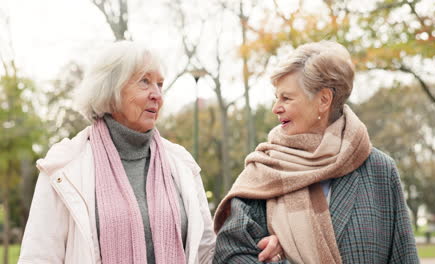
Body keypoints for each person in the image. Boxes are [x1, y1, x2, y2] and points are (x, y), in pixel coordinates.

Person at [18, 41, 282, 264]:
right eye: (144, 82)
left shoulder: (180, 164)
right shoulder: (66, 166)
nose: (157, 95)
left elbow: (206, 254)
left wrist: (257, 247)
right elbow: (38, 256)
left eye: (160, 84)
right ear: (110, 91)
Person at [213, 41, 419, 263]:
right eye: (276, 97)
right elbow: (229, 254)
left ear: (323, 100)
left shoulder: (379, 170)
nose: (276, 108)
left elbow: (403, 256)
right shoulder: (264, 169)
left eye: (286, 98)